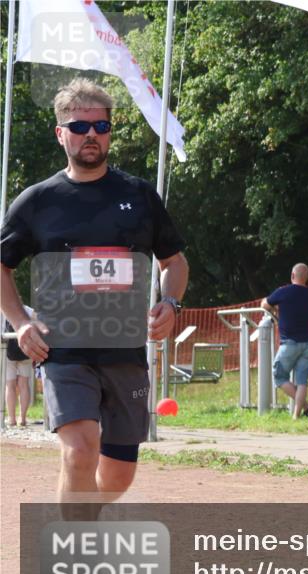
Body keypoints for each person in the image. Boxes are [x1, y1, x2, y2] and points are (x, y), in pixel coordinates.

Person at [0, 78, 188, 516]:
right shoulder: (37, 202)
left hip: (124, 351)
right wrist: (21, 322)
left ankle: (77, 511)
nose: (91, 135)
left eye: (101, 126)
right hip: (62, 349)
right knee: (80, 451)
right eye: (80, 126)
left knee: (118, 475)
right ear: (60, 133)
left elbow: (174, 263)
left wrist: (170, 302)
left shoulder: (138, 195)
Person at [262, 263, 308, 419]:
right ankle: (298, 415)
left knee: (279, 377)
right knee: (302, 381)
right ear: (307, 277)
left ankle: (307, 408)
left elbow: (265, 304)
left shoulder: (283, 292)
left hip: (289, 343)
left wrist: (274, 310)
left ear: (292, 275)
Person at [4, 306, 35, 428]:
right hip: (25, 350)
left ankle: (11, 420)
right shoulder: (26, 309)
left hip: (7, 351)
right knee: (24, 384)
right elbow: (38, 320)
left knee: (10, 385)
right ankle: (22, 419)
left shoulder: (4, 309)